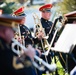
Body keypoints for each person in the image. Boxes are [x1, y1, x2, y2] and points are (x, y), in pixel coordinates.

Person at [13, 7, 42, 75]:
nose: (24, 18)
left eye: (24, 17)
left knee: (37, 70)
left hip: (31, 51)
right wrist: (17, 42)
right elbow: (13, 44)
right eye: (22, 17)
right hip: (24, 54)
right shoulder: (15, 29)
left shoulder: (25, 27)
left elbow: (32, 40)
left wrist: (38, 38)